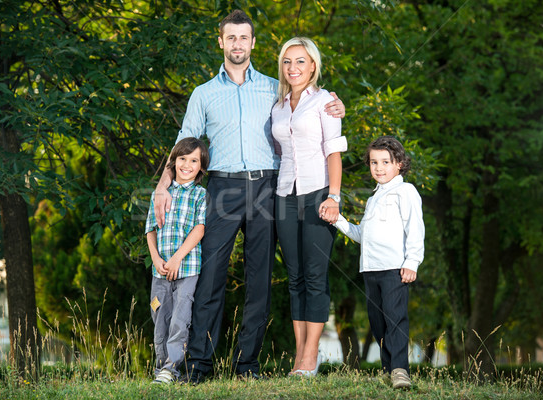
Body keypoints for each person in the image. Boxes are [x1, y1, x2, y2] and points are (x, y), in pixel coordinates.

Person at [152, 10, 345, 382]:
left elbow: (310, 110)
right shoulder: (204, 93)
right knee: (210, 277)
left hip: (267, 187)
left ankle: (247, 365)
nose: (238, 44)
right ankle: (198, 365)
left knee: (259, 279)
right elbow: (184, 143)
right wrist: (163, 185)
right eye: (231, 38)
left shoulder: (276, 89)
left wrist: (336, 104)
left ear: (253, 43)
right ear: (221, 42)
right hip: (222, 187)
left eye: (244, 38)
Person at [271, 37, 346, 377]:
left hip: (318, 194)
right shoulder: (279, 106)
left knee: (315, 276)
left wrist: (334, 196)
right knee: (295, 276)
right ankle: (299, 354)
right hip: (285, 194)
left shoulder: (326, 103)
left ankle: (311, 357)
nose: (293, 68)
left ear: (313, 66)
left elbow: (334, 152)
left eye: (301, 61)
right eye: (288, 62)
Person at [329, 136, 424, 389]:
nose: (378, 168)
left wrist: (412, 261)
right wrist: (338, 220)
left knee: (395, 319)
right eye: (373, 162)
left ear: (400, 164)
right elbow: (363, 235)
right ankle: (387, 370)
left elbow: (415, 229)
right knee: (377, 322)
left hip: (395, 268)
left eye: (385, 162)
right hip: (370, 269)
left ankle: (400, 369)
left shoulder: (406, 192)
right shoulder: (373, 199)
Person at [145, 138, 209, 384]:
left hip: (186, 269)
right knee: (159, 315)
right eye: (182, 158)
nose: (187, 164)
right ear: (173, 162)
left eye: (194, 160)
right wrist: (156, 258)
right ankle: (161, 367)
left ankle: (172, 368)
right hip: (159, 270)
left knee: (180, 319)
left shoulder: (200, 195)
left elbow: (199, 229)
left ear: (201, 167)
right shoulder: (160, 194)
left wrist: (176, 259)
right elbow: (150, 228)